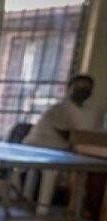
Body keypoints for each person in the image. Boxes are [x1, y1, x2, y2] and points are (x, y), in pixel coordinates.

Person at [22, 74, 97, 212]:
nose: (83, 91)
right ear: (70, 88)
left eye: (87, 88)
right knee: (53, 172)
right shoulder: (60, 108)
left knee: (86, 171)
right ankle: (42, 208)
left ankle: (76, 209)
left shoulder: (89, 112)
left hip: (65, 150)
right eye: (79, 87)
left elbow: (87, 136)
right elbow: (70, 136)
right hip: (41, 147)